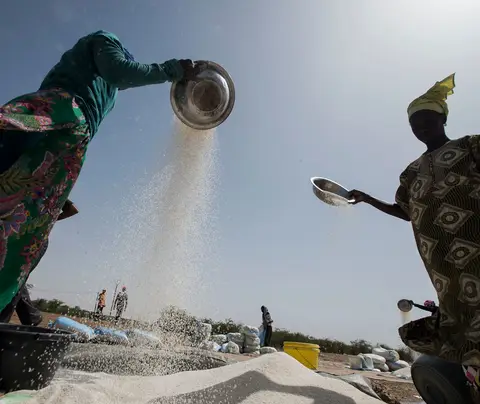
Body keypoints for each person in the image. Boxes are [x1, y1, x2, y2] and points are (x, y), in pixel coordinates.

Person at [0, 30, 197, 312]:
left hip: (71, 142)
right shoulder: (104, 40)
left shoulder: (110, 91)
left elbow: (120, 76)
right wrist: (170, 69)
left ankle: (9, 310)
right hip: (60, 112)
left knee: (29, 235)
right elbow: (119, 70)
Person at [347, 73, 480, 390]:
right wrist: (368, 199)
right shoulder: (411, 172)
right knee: (459, 317)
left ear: (442, 118)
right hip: (442, 264)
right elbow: (404, 211)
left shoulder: (470, 146)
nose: (420, 127)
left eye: (426, 119)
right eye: (414, 123)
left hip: (475, 246)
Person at [0, 199, 78, 325]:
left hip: (34, 240)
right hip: (14, 238)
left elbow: (72, 210)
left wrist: (47, 222)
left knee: (16, 277)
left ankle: (3, 320)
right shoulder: (16, 184)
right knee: (14, 277)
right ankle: (32, 317)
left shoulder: (46, 186)